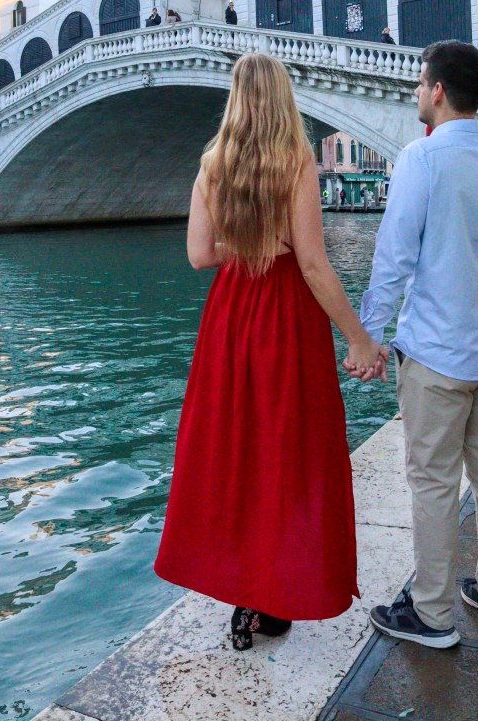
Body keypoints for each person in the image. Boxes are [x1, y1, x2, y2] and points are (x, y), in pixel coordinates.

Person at [155, 52, 387, 649]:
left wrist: (244, 238)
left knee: (236, 451)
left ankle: (245, 596)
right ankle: (277, 590)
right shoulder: (297, 161)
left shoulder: (212, 165)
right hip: (285, 317)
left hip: (232, 316)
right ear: (284, 98)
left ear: (234, 98)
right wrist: (358, 337)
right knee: (289, 452)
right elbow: (311, 263)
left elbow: (201, 257)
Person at [352, 41, 478, 649]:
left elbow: (394, 257)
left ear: (436, 90)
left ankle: (430, 614)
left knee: (431, 480)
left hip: (438, 354)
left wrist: (368, 335)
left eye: (420, 82)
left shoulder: (421, 159)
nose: (415, 91)